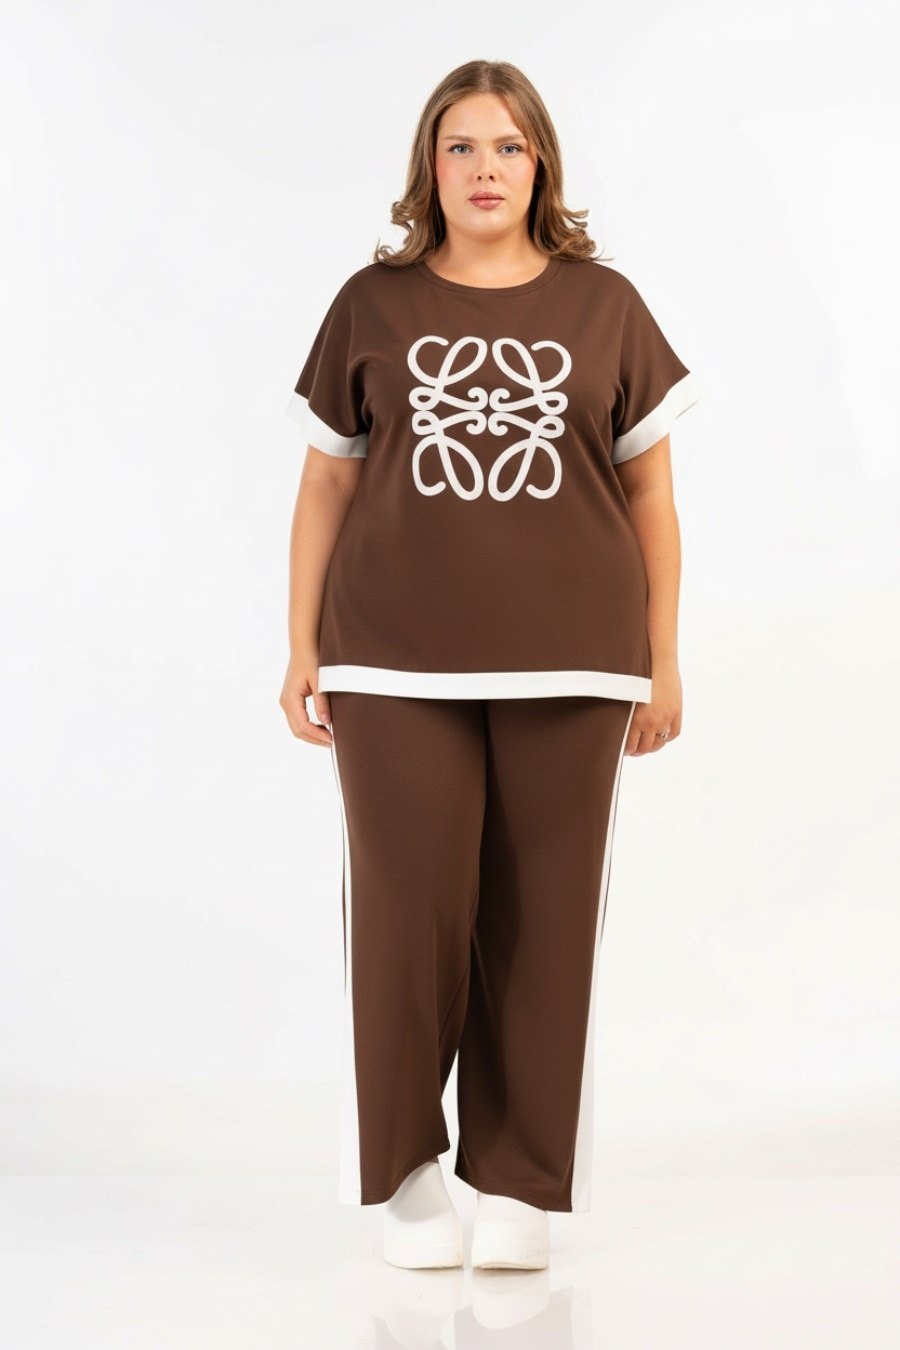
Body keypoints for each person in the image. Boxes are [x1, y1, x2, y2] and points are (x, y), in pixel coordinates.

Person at [279, 59, 702, 1272]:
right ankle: (408, 1173)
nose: (484, 169)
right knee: (407, 915)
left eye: (508, 147)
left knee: (545, 920)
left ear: (541, 166)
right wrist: (300, 645)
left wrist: (663, 657)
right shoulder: (371, 304)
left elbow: (651, 495)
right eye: (460, 146)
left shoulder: (606, 306)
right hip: (390, 659)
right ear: (430, 165)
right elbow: (327, 482)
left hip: (575, 658)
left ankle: (520, 1182)